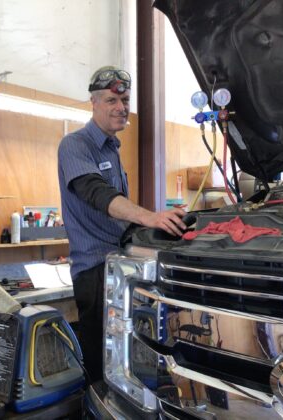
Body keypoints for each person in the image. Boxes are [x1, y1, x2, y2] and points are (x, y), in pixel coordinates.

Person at [57, 66, 186, 381]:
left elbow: (119, 218)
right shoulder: (75, 145)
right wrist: (150, 216)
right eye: (112, 100)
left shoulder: (112, 149)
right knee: (102, 367)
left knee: (125, 364)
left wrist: (157, 227)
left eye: (125, 99)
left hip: (120, 268)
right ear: (95, 102)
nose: (121, 107)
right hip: (95, 271)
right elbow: (96, 193)